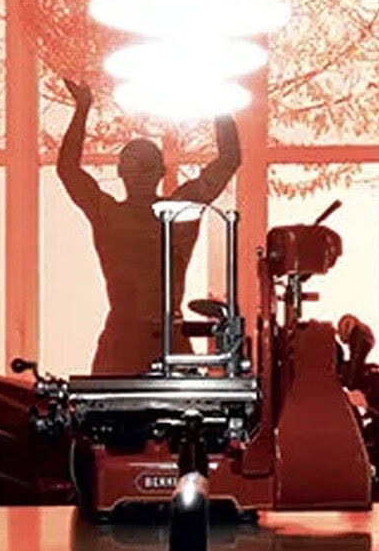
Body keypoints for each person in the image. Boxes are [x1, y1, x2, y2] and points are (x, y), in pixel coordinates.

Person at [55, 77, 241, 376]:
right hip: (169, 342)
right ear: (162, 171)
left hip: (122, 344)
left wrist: (82, 110)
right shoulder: (179, 211)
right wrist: (216, 99)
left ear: (120, 172)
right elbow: (229, 159)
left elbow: (67, 170)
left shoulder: (108, 215)